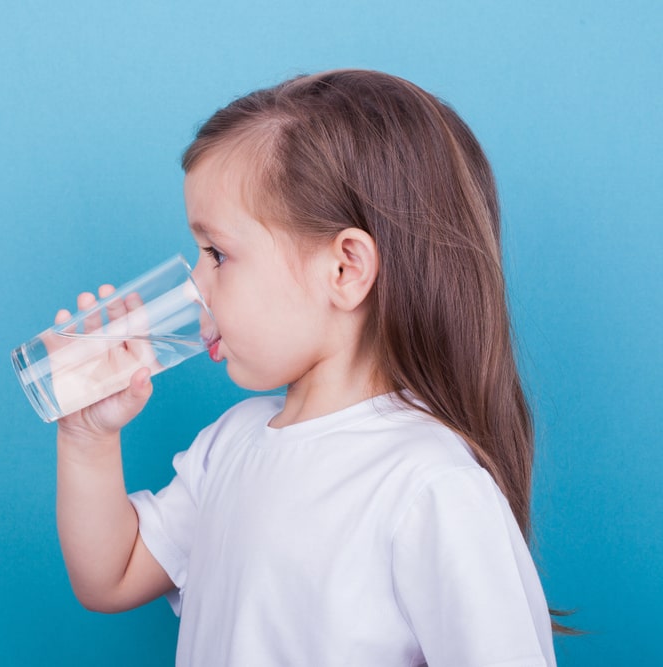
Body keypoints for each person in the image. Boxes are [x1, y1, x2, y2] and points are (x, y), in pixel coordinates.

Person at [54, 69, 559, 666]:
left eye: (217, 254)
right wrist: (87, 436)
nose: (195, 285)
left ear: (344, 270)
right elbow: (110, 575)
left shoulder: (429, 486)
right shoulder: (232, 445)